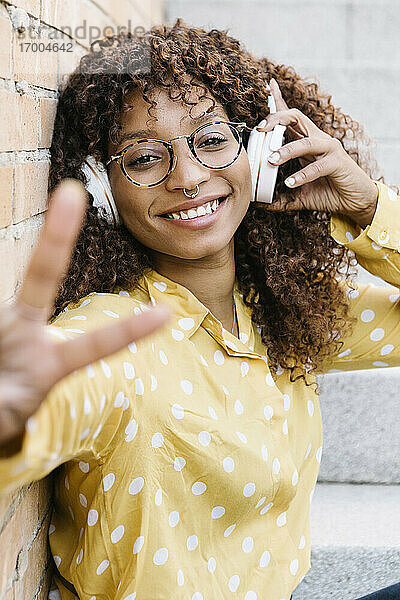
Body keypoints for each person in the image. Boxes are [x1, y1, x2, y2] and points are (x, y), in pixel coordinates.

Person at [0, 18, 399, 600]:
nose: (188, 178)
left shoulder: (281, 310)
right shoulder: (114, 335)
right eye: (142, 158)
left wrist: (368, 210)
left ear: (261, 154)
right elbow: (50, 401)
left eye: (212, 140)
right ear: (102, 187)